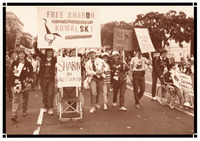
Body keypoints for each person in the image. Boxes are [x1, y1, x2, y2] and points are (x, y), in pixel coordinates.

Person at [9, 48, 33, 121]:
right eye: (20, 53)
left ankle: (24, 110)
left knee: (25, 98)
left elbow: (31, 73)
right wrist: (12, 84)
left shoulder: (28, 63)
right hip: (17, 83)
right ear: (18, 54)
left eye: (23, 53)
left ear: (25, 54)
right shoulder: (14, 63)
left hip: (26, 82)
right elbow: (11, 74)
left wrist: (30, 82)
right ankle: (14, 114)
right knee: (16, 99)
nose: (21, 55)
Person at [34, 42, 57, 115]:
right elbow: (36, 50)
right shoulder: (43, 57)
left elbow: (62, 60)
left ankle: (50, 108)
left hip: (51, 79)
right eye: (48, 52)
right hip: (43, 78)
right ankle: (46, 106)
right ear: (46, 52)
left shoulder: (54, 59)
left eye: (51, 52)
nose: (50, 53)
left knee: (50, 93)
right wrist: (37, 41)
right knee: (44, 94)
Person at [85, 49, 105, 113]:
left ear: (95, 54)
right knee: (93, 92)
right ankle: (92, 106)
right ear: (89, 55)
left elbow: (105, 66)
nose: (92, 54)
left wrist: (102, 71)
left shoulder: (100, 60)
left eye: (93, 53)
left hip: (100, 78)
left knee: (98, 91)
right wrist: (95, 73)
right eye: (91, 53)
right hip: (92, 78)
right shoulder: (87, 63)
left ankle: (96, 102)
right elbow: (87, 72)